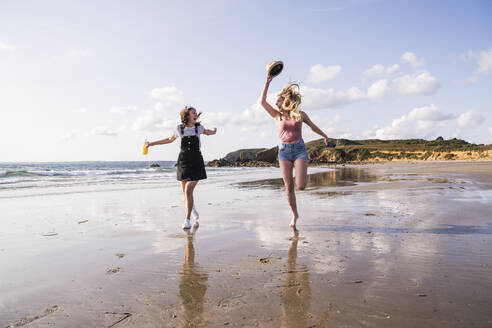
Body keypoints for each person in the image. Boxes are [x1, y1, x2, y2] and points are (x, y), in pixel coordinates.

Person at [261, 76, 329, 231]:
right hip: (284, 152)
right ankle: (295, 215)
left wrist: (324, 135)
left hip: (299, 150)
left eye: (278, 101)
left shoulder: (300, 115)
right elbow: (262, 102)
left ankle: (301, 180)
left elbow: (312, 126)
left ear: (285, 100)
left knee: (301, 186)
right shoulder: (277, 116)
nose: (276, 104)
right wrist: (267, 83)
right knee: (288, 187)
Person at [145, 106, 217, 229]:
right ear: (187, 116)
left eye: (196, 113)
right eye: (193, 113)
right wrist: (151, 144)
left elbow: (208, 132)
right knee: (185, 192)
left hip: (196, 161)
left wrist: (214, 131)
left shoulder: (198, 128)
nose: (196, 115)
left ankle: (187, 219)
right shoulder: (179, 129)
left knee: (188, 190)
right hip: (183, 161)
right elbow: (169, 139)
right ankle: (192, 207)